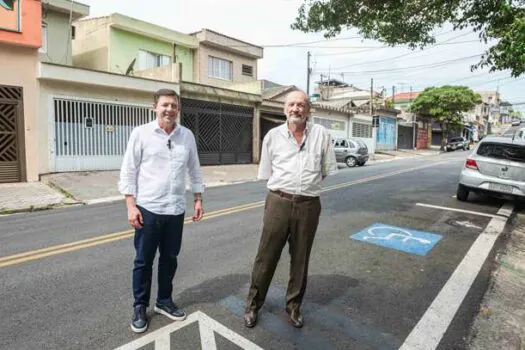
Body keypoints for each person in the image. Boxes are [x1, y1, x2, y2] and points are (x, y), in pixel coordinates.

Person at [244, 90, 337, 329]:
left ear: (308, 109)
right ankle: (253, 305)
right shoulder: (273, 136)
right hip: (278, 202)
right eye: (292, 104)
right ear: (285, 108)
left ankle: (293, 306)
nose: (296, 108)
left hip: (308, 205)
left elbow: (325, 170)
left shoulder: (322, 135)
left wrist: (304, 188)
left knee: (300, 259)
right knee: (266, 256)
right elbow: (267, 172)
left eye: (301, 105)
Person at [118, 88, 204, 333]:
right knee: (143, 261)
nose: (169, 110)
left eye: (174, 106)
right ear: (154, 106)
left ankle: (164, 300)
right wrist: (130, 205)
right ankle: (139, 306)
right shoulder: (141, 134)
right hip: (148, 208)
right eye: (165, 105)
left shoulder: (186, 136)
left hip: (175, 209)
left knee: (170, 259)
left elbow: (194, 169)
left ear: (178, 109)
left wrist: (197, 198)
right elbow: (128, 171)